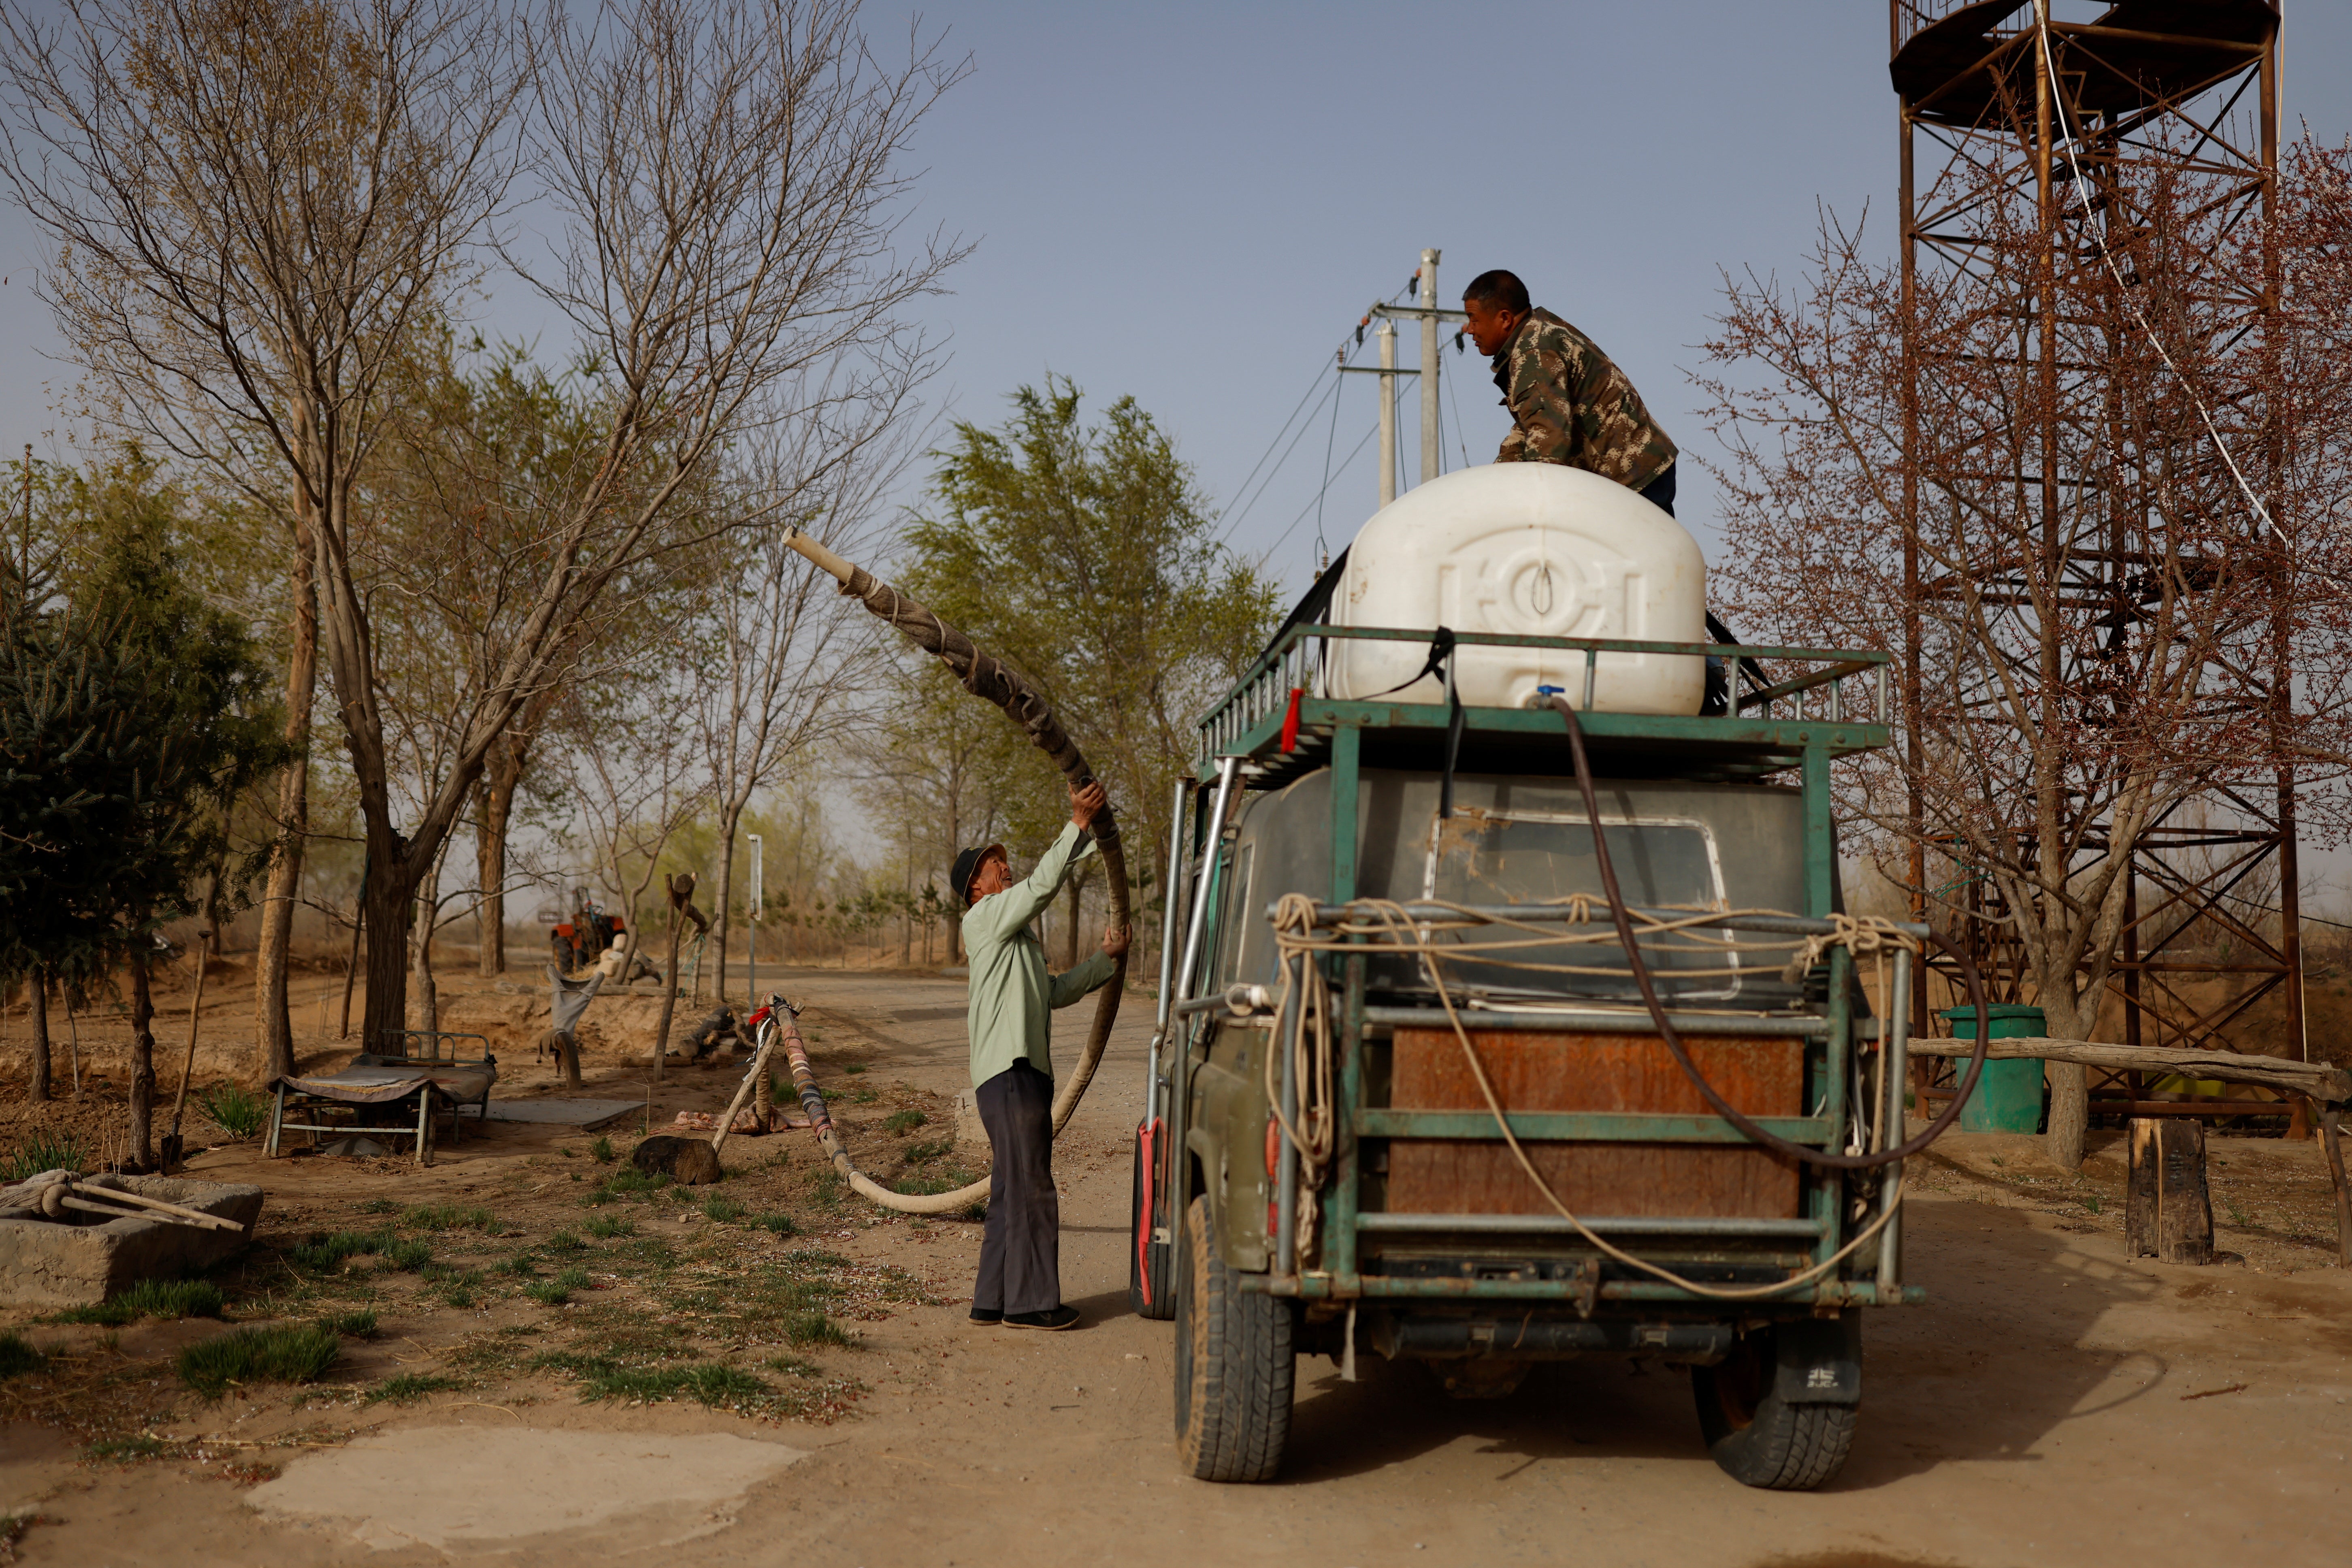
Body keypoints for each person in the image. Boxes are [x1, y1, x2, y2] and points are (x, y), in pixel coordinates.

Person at [950, 779, 1131, 1331]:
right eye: (993, 866)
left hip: (1015, 1075)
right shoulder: (984, 920)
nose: (1004, 868)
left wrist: (1103, 961)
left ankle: (994, 1299)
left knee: (1009, 1189)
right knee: (1032, 1187)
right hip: (1011, 1074)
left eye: (1003, 862)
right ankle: (1032, 1305)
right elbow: (1041, 889)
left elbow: (1052, 993)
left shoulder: (1017, 941)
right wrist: (1078, 824)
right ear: (977, 891)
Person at [1461, 267, 1681, 518]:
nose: (1469, 329)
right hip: (1641, 470)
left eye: (1474, 319)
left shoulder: (1533, 352)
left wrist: (1524, 512)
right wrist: (1499, 483)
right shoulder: (1537, 335)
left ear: (1505, 319)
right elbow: (1530, 427)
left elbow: (1548, 447)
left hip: (1632, 478)